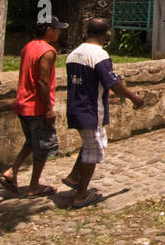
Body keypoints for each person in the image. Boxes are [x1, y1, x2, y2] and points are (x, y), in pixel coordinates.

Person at [63, 18, 149, 209]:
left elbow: (88, 81)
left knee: (91, 144)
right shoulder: (99, 55)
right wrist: (133, 97)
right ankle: (81, 195)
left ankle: (74, 176)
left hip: (75, 106)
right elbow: (113, 83)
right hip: (90, 110)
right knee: (93, 151)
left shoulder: (73, 54)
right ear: (106, 35)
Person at [0, 16, 67, 197]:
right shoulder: (48, 51)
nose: (59, 32)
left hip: (22, 103)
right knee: (42, 148)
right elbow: (42, 82)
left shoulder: (28, 47)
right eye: (57, 29)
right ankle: (34, 185)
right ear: (49, 30)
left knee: (31, 142)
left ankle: (12, 171)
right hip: (36, 106)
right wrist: (48, 109)